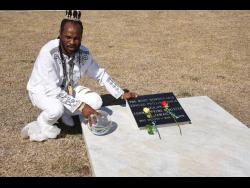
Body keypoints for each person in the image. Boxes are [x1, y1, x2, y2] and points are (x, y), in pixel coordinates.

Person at [23, 10, 137, 142]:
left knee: (96, 101)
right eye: (68, 37)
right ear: (60, 35)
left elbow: (99, 74)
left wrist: (121, 93)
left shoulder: (84, 53)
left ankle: (66, 112)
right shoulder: (48, 52)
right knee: (56, 109)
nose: (72, 42)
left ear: (81, 37)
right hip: (41, 90)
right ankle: (43, 121)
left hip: (67, 89)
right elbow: (52, 90)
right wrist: (81, 107)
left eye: (76, 38)